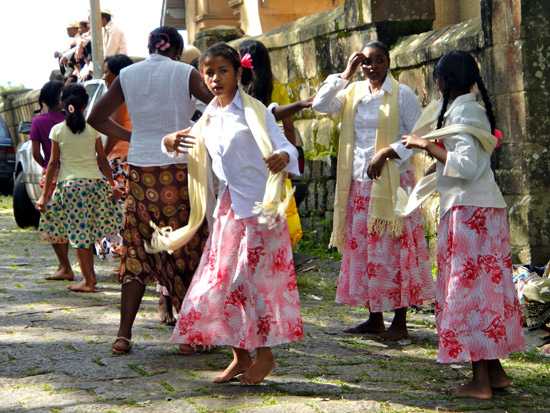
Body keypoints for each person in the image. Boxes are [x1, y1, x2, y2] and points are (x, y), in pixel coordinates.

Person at [162, 42, 303, 385]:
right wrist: (168, 141)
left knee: (252, 284)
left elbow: (286, 146)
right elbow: (184, 150)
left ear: (239, 73)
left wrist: (283, 157)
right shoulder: (208, 116)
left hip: (261, 210)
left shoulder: (256, 112)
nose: (215, 78)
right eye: (208, 72)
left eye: (223, 71)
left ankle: (265, 354)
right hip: (228, 212)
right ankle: (239, 356)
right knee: (221, 284)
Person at [402, 50, 525, 400]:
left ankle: (479, 381)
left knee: (469, 295)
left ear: (444, 81)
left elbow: (466, 166)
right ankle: (495, 372)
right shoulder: (469, 109)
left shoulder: (464, 110)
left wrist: (426, 145)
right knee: (487, 293)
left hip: (470, 215)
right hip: (480, 213)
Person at [88, 26, 213, 355]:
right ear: (175, 49)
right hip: (179, 171)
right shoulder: (184, 72)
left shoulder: (127, 74)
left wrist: (135, 136)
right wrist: (194, 132)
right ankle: (188, 334)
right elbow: (219, 107)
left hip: (141, 173)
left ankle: (123, 334)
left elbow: (95, 116)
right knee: (186, 249)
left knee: (137, 251)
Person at [312, 41, 434, 340]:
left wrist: (387, 153)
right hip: (359, 184)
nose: (372, 67)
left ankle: (400, 321)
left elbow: (417, 135)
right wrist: (345, 73)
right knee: (368, 252)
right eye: (366, 61)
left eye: (378, 61)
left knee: (395, 250)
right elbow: (320, 105)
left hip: (392, 183)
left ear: (388, 63)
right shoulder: (352, 93)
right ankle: (374, 317)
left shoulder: (401, 94)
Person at [36, 84, 123, 293]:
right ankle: (83, 276)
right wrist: (112, 184)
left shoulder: (57, 131)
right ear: (85, 105)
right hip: (95, 185)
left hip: (70, 187)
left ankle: (89, 281)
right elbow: (102, 161)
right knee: (85, 233)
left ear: (62, 104)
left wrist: (44, 195)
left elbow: (53, 164)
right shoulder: (92, 130)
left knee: (78, 235)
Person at [238, 39, 312, 246]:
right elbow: (287, 124)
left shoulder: (236, 89)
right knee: (277, 200)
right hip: (275, 151)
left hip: (248, 151)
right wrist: (291, 155)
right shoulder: (275, 85)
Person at [30, 80, 73, 281]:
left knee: (53, 222)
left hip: (52, 175)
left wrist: (47, 164)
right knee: (77, 220)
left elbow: (35, 153)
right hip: (74, 172)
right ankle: (83, 267)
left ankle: (65, 266)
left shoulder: (39, 121)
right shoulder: (73, 119)